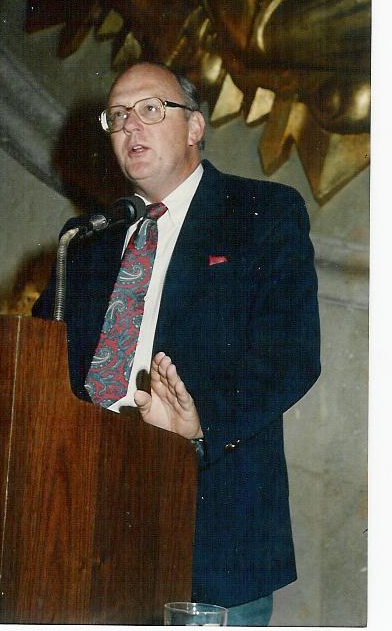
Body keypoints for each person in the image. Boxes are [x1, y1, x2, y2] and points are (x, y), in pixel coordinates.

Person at [33, 62, 321, 626]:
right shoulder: (87, 241)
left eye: (150, 109)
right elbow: (38, 359)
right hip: (83, 520)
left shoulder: (263, 213)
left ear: (195, 127)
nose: (130, 126)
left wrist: (201, 420)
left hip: (209, 525)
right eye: (116, 117)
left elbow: (291, 354)